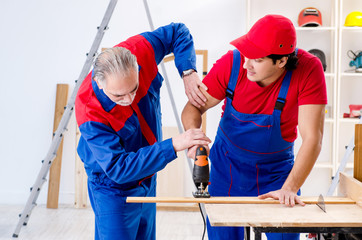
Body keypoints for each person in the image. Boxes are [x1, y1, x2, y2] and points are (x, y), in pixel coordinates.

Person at [182, 14, 327, 240]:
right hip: (227, 170)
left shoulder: (309, 70)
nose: (246, 63)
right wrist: (195, 138)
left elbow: (313, 139)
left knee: (286, 235)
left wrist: (289, 188)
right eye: (247, 53)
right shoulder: (232, 63)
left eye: (257, 59)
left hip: (277, 173)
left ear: (282, 61)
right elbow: (192, 109)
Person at [75, 22, 211, 240]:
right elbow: (118, 168)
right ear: (100, 85)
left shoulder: (141, 50)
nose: (129, 99)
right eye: (119, 96)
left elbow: (178, 32)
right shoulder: (90, 111)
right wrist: (174, 145)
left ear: (136, 65)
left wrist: (188, 72)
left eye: (134, 89)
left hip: (147, 177)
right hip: (113, 188)